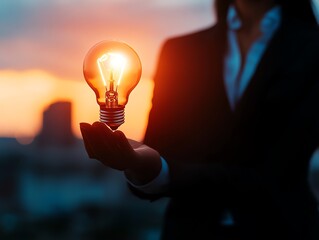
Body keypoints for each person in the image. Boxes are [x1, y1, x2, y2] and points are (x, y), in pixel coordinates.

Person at [80, 0, 319, 239]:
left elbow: (277, 171)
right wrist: (140, 165)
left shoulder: (312, 51)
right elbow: (158, 149)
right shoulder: (180, 52)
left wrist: (164, 171)